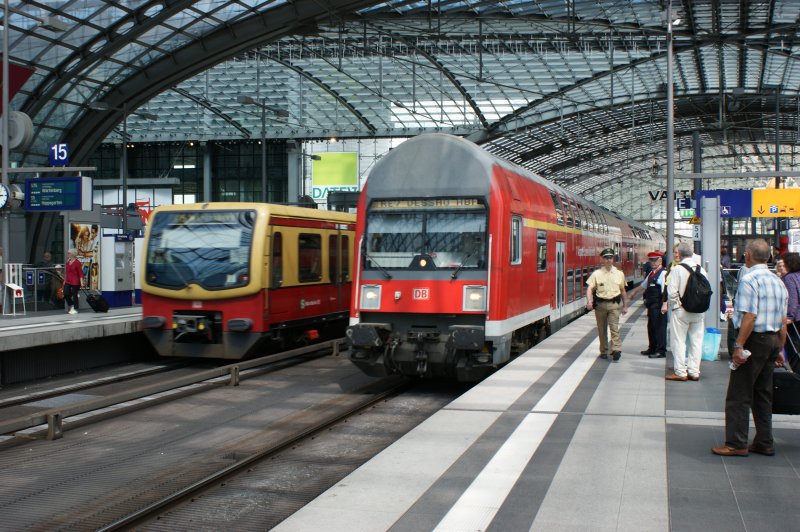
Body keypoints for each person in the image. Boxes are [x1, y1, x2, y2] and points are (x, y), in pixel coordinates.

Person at [712, 239, 788, 457]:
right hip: (773, 340)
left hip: (755, 341)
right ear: (770, 258)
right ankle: (764, 441)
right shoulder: (777, 281)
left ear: (747, 256)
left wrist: (738, 346)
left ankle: (736, 443)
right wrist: (780, 350)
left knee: (738, 393)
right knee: (763, 394)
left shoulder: (749, 280)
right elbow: (783, 321)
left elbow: (750, 316)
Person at [664, 242, 709, 381]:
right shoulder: (701, 269)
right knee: (696, 341)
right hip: (698, 312)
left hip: (681, 312)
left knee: (679, 341)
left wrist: (677, 306)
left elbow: (671, 292)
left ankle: (680, 372)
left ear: (681, 255)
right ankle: (694, 372)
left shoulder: (677, 269)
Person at [586, 247, 628, 362]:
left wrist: (625, 306)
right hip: (600, 306)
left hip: (614, 305)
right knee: (602, 329)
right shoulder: (596, 274)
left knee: (614, 328)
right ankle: (603, 351)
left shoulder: (619, 274)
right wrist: (589, 301)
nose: (608, 260)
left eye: (610, 258)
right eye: (606, 258)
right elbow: (590, 289)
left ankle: (616, 350)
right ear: (602, 259)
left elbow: (623, 290)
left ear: (613, 259)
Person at [628, 251, 668, 358]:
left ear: (660, 260)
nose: (653, 262)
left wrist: (665, 304)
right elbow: (643, 285)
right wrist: (634, 292)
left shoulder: (663, 273)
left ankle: (661, 350)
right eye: (651, 260)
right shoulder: (652, 273)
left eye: (655, 260)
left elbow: (666, 291)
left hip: (659, 305)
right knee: (651, 326)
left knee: (659, 327)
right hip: (651, 305)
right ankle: (652, 348)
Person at [781, 252, 800, 372]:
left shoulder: (789, 278)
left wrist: (789, 317)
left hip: (796, 320)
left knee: (795, 350)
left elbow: (792, 300)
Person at [63, 248, 84, 314]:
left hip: (75, 281)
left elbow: (80, 273)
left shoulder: (77, 262)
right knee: (65, 293)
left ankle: (75, 308)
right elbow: (67, 272)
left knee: (74, 295)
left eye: (69, 253)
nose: (68, 254)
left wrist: (81, 282)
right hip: (68, 280)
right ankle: (71, 304)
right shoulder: (67, 262)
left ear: (72, 254)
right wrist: (64, 281)